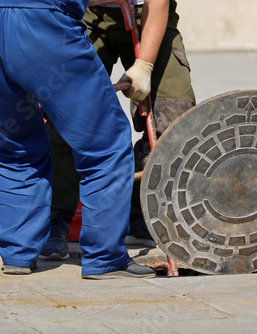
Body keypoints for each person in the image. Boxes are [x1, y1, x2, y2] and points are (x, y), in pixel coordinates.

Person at [0, 0, 156, 279]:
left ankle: (17, 254)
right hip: (43, 21)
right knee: (105, 142)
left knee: (17, 145)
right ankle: (105, 258)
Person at [40, 0, 196, 260]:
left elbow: (157, 3)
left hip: (147, 17)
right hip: (87, 17)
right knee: (67, 115)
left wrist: (145, 66)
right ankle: (54, 222)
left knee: (175, 120)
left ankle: (145, 218)